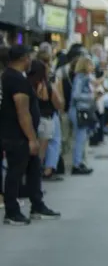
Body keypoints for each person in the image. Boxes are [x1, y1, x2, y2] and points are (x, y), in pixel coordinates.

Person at [1, 45, 61, 225]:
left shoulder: (9, 77)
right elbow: (23, 112)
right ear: (24, 58)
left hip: (16, 134)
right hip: (17, 136)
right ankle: (12, 211)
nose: (30, 61)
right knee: (15, 172)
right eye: (29, 58)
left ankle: (37, 204)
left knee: (33, 168)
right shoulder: (16, 80)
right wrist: (32, 139)